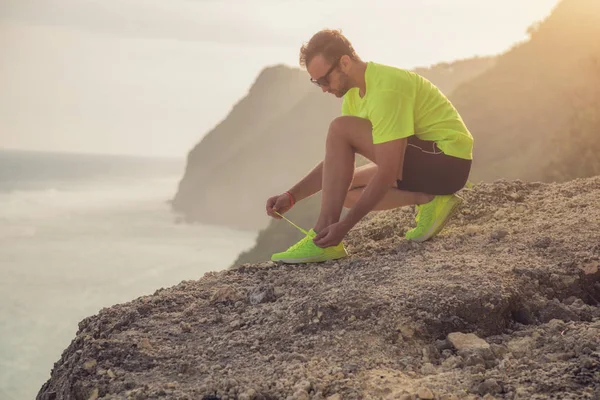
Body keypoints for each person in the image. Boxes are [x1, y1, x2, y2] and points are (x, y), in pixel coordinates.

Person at [265, 29, 473, 264]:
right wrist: (291, 196)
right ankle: (430, 199)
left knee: (339, 128)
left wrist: (344, 227)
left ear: (344, 62)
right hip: (426, 166)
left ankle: (321, 239)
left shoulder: (387, 87)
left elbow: (388, 170)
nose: (323, 88)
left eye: (324, 80)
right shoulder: (354, 97)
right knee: (346, 190)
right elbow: (336, 165)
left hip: (446, 162)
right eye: (316, 83)